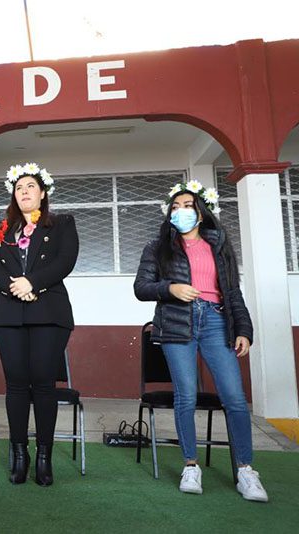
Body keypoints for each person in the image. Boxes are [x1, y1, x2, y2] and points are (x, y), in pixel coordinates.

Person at [134, 180, 267, 502]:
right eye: (175, 207)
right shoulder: (157, 247)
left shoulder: (219, 246)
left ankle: (246, 471)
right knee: (186, 396)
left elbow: (232, 292)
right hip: (177, 323)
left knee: (234, 397)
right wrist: (170, 288)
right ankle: (191, 466)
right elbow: (141, 288)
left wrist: (244, 329)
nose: (180, 211)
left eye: (188, 206)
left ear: (201, 212)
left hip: (216, 321)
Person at [0, 163, 78, 486]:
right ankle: (20, 454)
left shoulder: (62, 223)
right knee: (16, 383)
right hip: (8, 313)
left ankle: (44, 458)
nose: (24, 192)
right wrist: (15, 287)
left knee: (43, 383)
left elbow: (65, 261)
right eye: (19, 187)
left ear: (43, 193)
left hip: (49, 312)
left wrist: (32, 283)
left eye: (30, 187)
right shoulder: (1, 227)